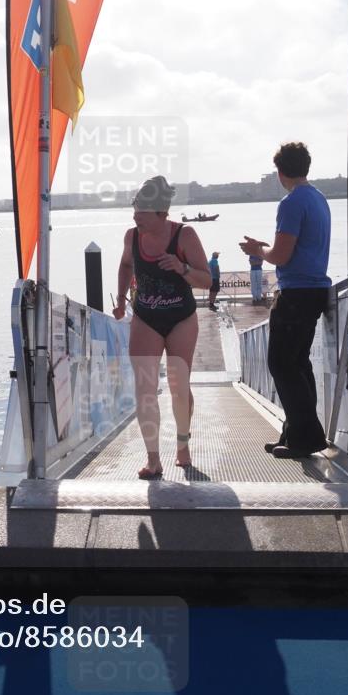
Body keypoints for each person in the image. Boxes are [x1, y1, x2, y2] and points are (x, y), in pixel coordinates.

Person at [113, 176, 212, 478]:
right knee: (145, 389)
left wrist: (182, 268)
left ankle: (182, 445)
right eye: (134, 210)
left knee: (179, 387)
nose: (135, 217)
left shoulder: (184, 235)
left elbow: (207, 281)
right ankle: (153, 459)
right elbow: (126, 265)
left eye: (142, 212)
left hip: (181, 318)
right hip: (146, 317)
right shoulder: (131, 237)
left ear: (161, 213)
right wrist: (121, 299)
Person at [239, 142, 331, 459]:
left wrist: (258, 250)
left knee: (282, 364)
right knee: (298, 364)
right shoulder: (318, 198)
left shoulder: (291, 203)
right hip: (314, 289)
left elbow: (280, 256)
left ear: (280, 172)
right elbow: (293, 249)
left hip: (296, 293)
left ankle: (306, 438)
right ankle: (295, 433)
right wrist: (266, 248)